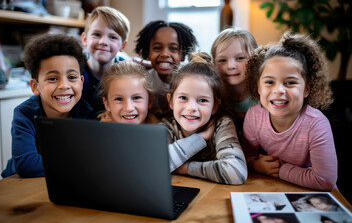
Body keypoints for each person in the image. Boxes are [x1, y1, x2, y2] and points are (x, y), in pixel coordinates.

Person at [242, 31, 337, 190]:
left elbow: (325, 180)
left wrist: (282, 170)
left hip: (315, 195)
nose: (278, 90)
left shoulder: (316, 124)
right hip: (275, 188)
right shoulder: (254, 116)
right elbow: (244, 155)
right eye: (270, 82)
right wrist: (256, 165)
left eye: (290, 82)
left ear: (306, 89)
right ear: (258, 87)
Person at [1, 34, 96, 178]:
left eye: (72, 77)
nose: (64, 85)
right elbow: (26, 164)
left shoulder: (87, 112)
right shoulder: (24, 114)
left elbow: (96, 157)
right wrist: (81, 162)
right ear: (35, 86)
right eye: (52, 78)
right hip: (19, 184)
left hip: (63, 180)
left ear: (81, 82)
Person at [98, 60, 208, 168]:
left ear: (150, 101)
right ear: (107, 104)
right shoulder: (100, 136)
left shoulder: (162, 131)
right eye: (119, 99)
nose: (129, 108)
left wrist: (200, 137)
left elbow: (157, 162)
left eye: (136, 98)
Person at [162, 52, 247, 185]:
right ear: (171, 101)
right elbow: (153, 165)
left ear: (215, 106)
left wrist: (185, 168)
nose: (191, 107)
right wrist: (200, 138)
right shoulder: (166, 128)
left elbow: (236, 172)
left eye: (202, 100)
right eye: (183, 98)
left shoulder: (222, 124)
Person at [134, 20, 197, 119]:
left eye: (173, 49)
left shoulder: (192, 82)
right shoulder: (142, 82)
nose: (164, 54)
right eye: (157, 48)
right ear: (148, 53)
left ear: (183, 55)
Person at [81, 6, 130, 115]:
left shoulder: (127, 73)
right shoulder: (75, 71)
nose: (103, 42)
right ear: (85, 39)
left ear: (123, 45)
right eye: (97, 35)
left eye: (112, 37)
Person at [211, 27, 258, 136]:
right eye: (222, 60)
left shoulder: (264, 97)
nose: (231, 66)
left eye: (240, 58)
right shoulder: (212, 98)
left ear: (255, 59)